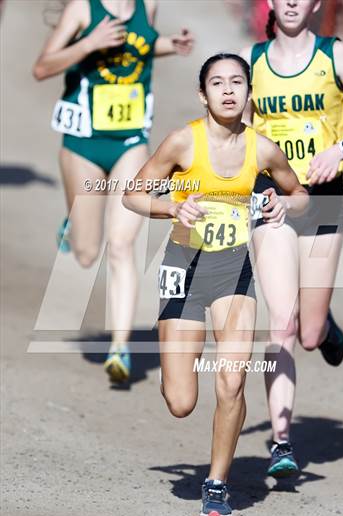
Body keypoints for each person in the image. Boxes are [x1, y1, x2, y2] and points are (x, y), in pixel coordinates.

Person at [123, 53, 308, 516]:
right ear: (202, 94)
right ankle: (173, 356)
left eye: (237, 82)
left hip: (233, 272)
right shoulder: (183, 142)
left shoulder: (263, 149)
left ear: (248, 92)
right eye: (217, 83)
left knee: (231, 381)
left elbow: (299, 193)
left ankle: (216, 483)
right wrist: (171, 208)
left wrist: (285, 206)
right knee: (181, 401)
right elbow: (132, 194)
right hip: (183, 268)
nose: (228, 90)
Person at [240, 0, 343, 479]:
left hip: (323, 200)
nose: (293, 3)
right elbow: (234, 137)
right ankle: (282, 443)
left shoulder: (334, 54)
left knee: (307, 332)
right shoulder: (251, 60)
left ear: (316, 3)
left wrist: (341, 148)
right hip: (273, 199)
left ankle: (324, 326)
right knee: (281, 324)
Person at [33, 0, 193, 383]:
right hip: (83, 143)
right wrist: (88, 44)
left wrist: (169, 44)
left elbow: (137, 45)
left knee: (122, 243)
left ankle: (120, 347)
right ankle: (73, 226)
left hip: (131, 141)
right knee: (88, 253)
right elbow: (42, 67)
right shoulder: (83, 10)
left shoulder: (147, 5)